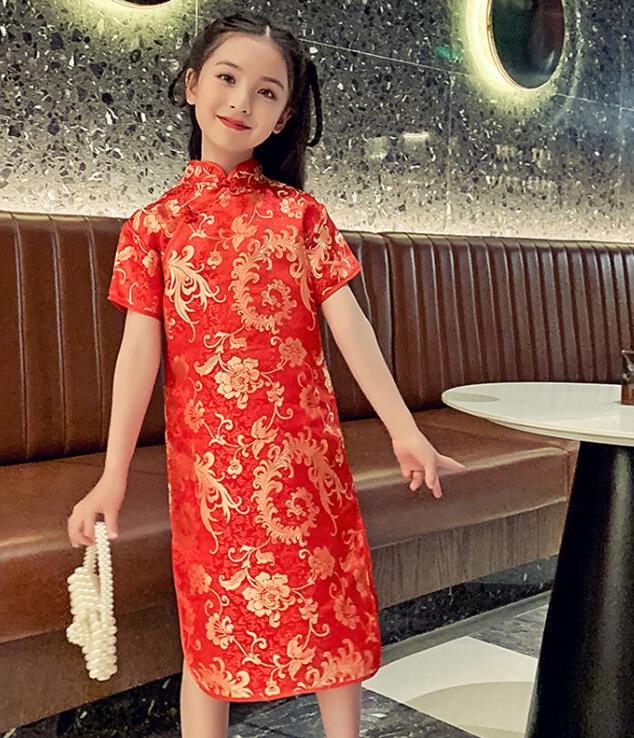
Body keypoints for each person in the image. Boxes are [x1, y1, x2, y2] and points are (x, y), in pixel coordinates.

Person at [67, 10, 466, 738]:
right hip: (209, 473)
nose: (241, 101)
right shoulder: (153, 227)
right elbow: (138, 356)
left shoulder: (301, 217)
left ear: (283, 119)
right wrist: (112, 477)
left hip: (305, 462)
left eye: (267, 92)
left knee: (327, 612)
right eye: (227, 78)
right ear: (192, 85)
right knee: (210, 631)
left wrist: (404, 430)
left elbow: (351, 328)